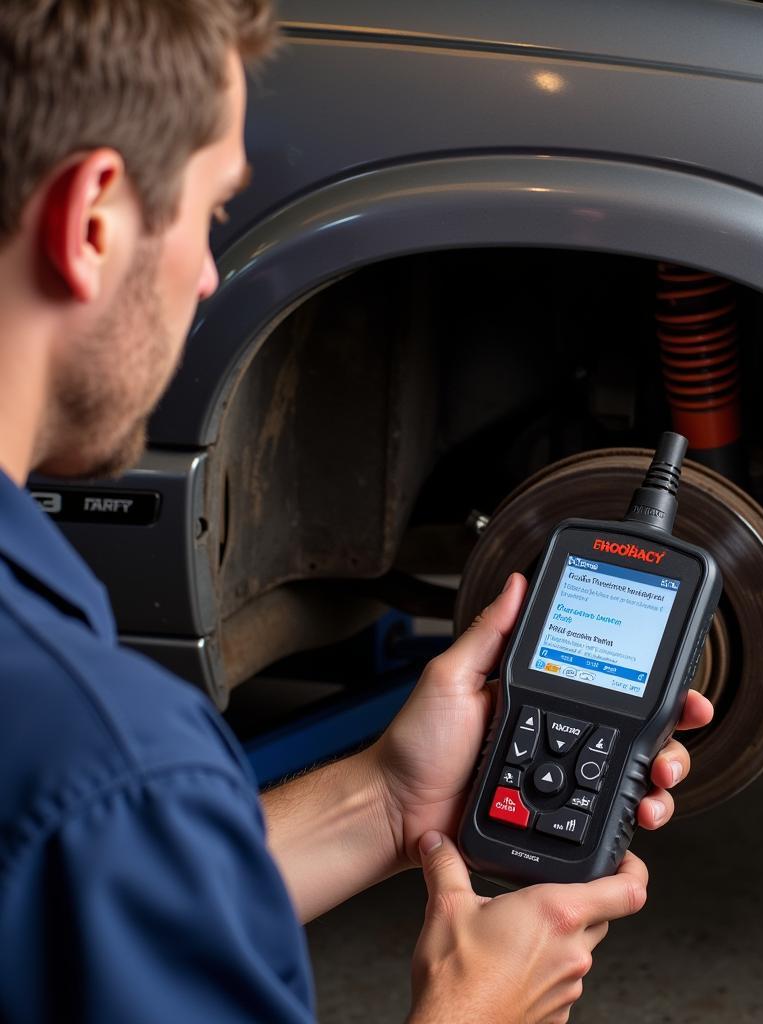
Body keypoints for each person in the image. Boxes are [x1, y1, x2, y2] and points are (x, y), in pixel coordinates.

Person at [0, 2, 715, 1022]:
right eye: (211, 214)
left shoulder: (94, 797)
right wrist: (476, 1007)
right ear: (94, 222)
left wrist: (386, 797)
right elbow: (97, 831)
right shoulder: (104, 761)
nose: (207, 278)